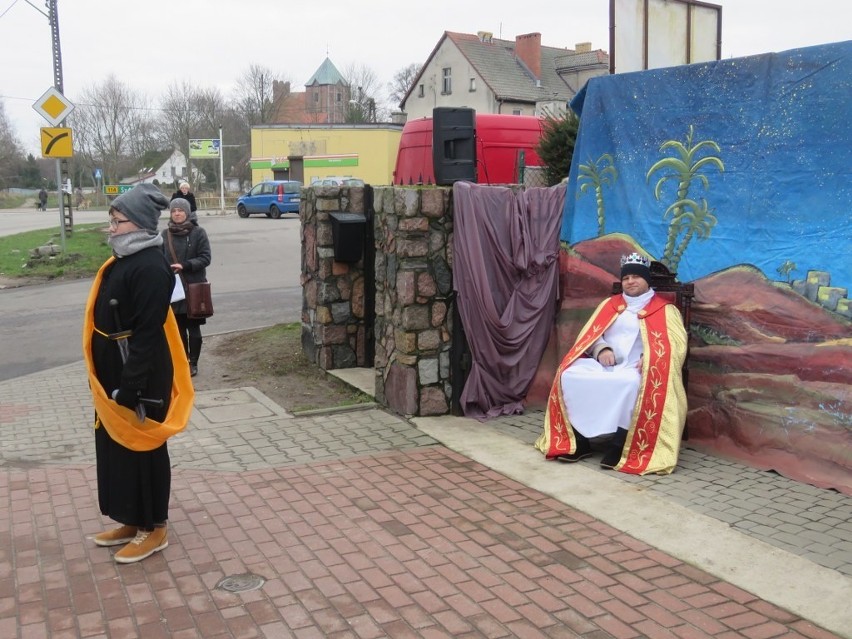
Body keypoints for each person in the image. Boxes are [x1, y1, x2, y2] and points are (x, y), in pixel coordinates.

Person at [81, 183, 194, 564]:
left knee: (143, 449)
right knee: (118, 448)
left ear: (140, 224)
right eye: (111, 220)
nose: (111, 227)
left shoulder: (149, 267)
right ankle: (131, 520)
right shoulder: (123, 259)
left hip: (139, 375)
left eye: (117, 221)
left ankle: (154, 527)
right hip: (115, 369)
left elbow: (147, 334)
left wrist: (129, 388)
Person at [535, 253, 688, 475]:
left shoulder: (665, 309)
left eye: (636, 277)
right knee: (569, 374)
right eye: (626, 278)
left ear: (647, 280)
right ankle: (579, 440)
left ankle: (620, 443)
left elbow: (676, 344)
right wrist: (602, 349)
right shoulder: (610, 304)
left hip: (638, 367)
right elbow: (592, 335)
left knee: (630, 384)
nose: (630, 282)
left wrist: (653, 357)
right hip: (606, 364)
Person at [162, 197, 211, 377]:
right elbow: (159, 259)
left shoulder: (198, 233)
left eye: (180, 210)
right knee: (179, 331)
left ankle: (194, 362)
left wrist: (185, 265)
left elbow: (206, 258)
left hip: (194, 288)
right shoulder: (164, 235)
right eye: (174, 211)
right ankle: (184, 361)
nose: (177, 213)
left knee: (194, 331)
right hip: (174, 290)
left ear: (187, 212)